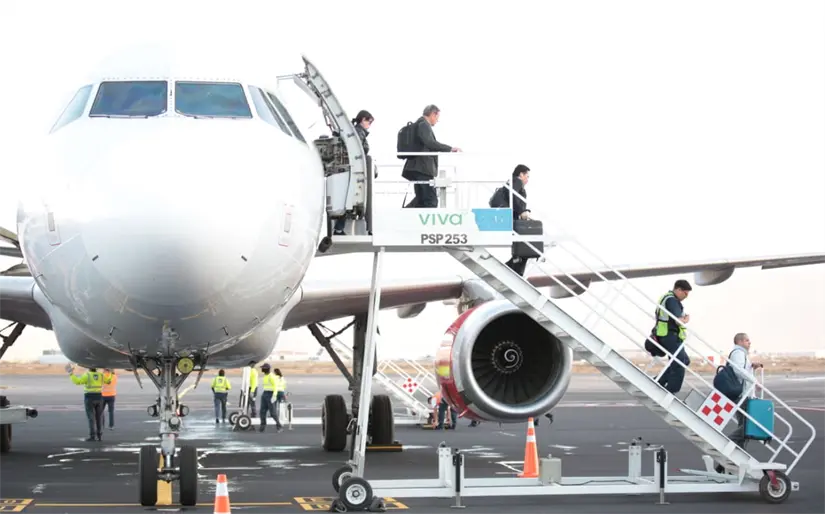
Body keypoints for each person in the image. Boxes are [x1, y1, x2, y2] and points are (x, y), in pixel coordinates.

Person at [714, 333, 763, 473]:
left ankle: (729, 461)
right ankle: (724, 447)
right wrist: (755, 381)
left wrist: (751, 367)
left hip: (745, 395)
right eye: (747, 340)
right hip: (742, 396)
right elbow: (738, 370)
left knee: (745, 429)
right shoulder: (738, 353)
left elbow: (741, 369)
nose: (750, 342)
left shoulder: (742, 354)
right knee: (747, 428)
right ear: (740, 341)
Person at [402, 105, 461, 208]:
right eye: (437, 117)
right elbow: (430, 143)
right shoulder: (423, 125)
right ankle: (405, 215)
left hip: (417, 167)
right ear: (433, 114)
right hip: (422, 168)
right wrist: (450, 148)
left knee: (421, 199)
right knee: (430, 200)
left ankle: (405, 214)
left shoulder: (419, 124)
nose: (437, 121)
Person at [333, 110, 374, 235]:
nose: (369, 125)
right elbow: (360, 150)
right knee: (349, 199)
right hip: (354, 170)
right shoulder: (358, 132)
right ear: (363, 120)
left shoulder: (355, 132)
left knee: (348, 199)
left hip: (350, 169)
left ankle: (339, 227)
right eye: (369, 122)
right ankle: (340, 228)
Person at [490, 165, 534, 276]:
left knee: (520, 247)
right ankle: (513, 268)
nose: (527, 180)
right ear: (521, 174)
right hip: (512, 217)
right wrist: (521, 211)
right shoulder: (517, 181)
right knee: (524, 246)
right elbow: (513, 196)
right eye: (527, 176)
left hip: (508, 216)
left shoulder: (511, 182)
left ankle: (512, 265)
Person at [653, 280, 692, 394]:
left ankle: (659, 380)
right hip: (669, 335)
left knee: (684, 360)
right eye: (685, 293)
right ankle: (671, 391)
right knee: (679, 363)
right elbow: (678, 321)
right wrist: (686, 320)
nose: (686, 296)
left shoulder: (666, 298)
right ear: (678, 290)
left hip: (667, 334)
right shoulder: (672, 300)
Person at [67, 364, 112, 441]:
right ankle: (99, 435)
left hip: (89, 398)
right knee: (99, 417)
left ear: (89, 368)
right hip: (99, 397)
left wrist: (71, 374)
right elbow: (108, 381)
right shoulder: (101, 375)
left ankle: (92, 436)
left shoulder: (87, 375)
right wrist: (111, 373)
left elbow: (77, 382)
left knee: (91, 418)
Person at [259, 363, 283, 432]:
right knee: (262, 411)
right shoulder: (265, 376)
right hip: (265, 394)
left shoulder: (271, 376)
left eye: (263, 368)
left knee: (273, 413)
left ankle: (279, 426)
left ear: (266, 369)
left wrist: (274, 396)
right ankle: (262, 426)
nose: (262, 369)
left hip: (270, 394)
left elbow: (275, 386)